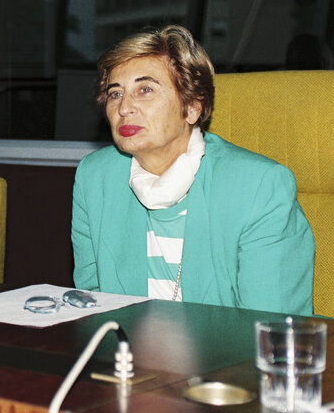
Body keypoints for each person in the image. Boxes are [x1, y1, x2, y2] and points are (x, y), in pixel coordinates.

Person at [71, 25, 314, 315]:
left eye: (145, 89)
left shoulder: (259, 186)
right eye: (115, 94)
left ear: (192, 108)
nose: (125, 108)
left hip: (229, 356)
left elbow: (271, 325)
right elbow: (92, 306)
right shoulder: (95, 178)